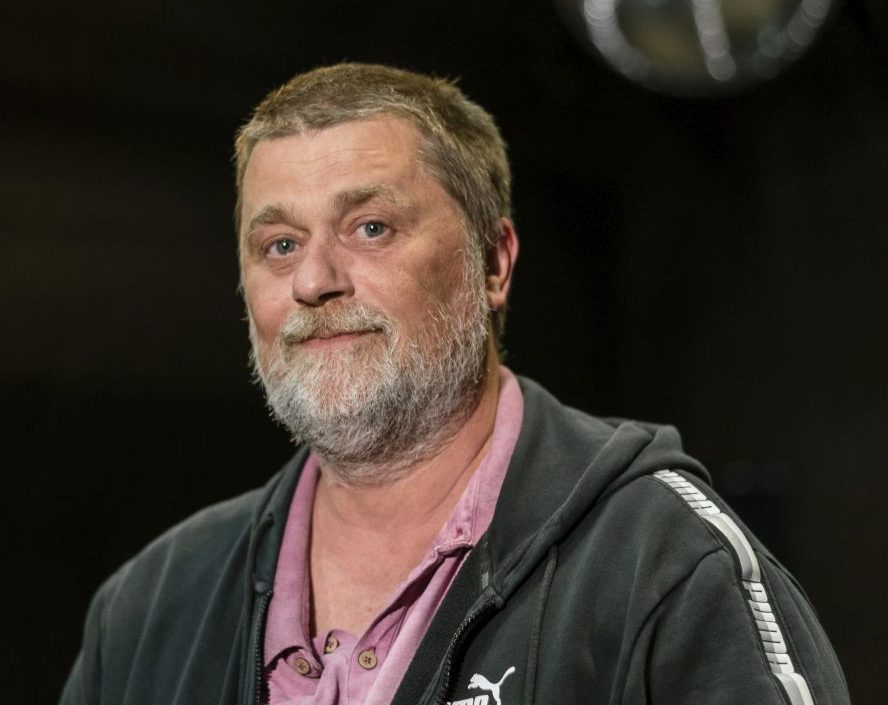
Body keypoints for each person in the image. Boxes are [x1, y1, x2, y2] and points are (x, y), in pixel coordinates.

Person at [59, 63, 848, 705]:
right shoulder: (151, 607)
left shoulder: (664, 566)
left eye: (371, 228)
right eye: (280, 244)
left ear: (494, 263)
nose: (314, 280)